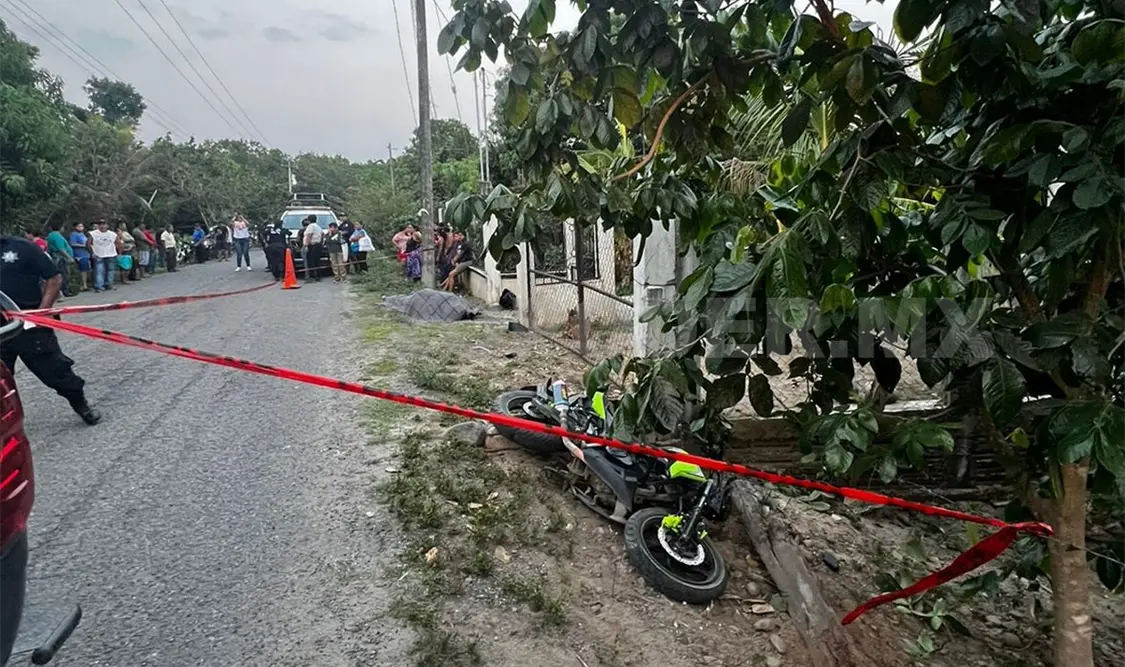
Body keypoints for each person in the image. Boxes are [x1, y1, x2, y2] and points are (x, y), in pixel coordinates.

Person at [0, 235, 101, 425]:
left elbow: (53, 277)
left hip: (28, 325)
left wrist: (42, 312)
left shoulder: (22, 247)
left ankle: (81, 406)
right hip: (0, 331)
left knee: (55, 371)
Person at [45, 223, 75, 297]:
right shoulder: (57, 236)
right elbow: (61, 248)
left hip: (56, 256)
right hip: (61, 257)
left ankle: (62, 290)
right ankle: (65, 291)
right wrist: (69, 257)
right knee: (64, 274)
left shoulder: (50, 235)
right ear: (61, 228)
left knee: (62, 273)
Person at [89, 219, 118, 292]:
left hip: (111, 254)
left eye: (104, 224)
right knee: (99, 271)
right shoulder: (93, 234)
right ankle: (99, 286)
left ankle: (109, 284)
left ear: (107, 225)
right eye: (101, 224)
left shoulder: (112, 234)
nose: (103, 226)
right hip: (99, 255)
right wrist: (92, 252)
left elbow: (118, 243)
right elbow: (88, 243)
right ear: (98, 226)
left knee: (110, 270)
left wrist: (118, 252)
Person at [69, 222, 91, 292]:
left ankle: (85, 284)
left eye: (82, 226)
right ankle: (83, 285)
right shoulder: (73, 234)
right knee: (82, 270)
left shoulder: (83, 234)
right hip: (79, 254)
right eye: (79, 226)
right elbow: (73, 244)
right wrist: (84, 246)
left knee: (85, 270)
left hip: (85, 254)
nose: (81, 227)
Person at [302, 215, 324, 282]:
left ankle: (312, 277)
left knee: (310, 261)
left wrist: (306, 245)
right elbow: (322, 234)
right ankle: (318, 276)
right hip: (318, 245)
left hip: (312, 245)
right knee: (317, 261)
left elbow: (309, 235)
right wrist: (321, 242)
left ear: (309, 220)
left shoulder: (310, 226)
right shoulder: (318, 226)